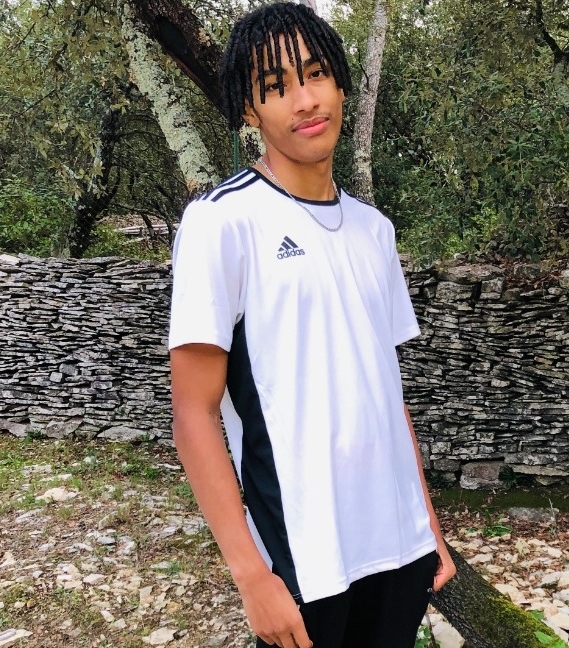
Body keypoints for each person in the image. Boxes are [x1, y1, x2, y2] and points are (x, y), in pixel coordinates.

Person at [168, 3, 456, 647]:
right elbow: (192, 411)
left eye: (316, 73)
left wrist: (428, 526)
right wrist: (251, 576)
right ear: (250, 110)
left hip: (400, 549)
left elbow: (387, 394)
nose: (304, 100)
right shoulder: (222, 223)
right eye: (275, 86)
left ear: (341, 83)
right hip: (306, 561)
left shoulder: (374, 231)